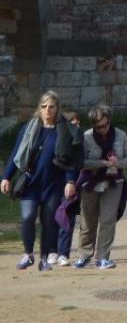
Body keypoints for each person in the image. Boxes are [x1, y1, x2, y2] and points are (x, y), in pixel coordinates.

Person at [3, 90, 82, 270]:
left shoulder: (65, 130)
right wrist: (6, 176)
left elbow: (70, 160)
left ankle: (44, 258)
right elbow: (16, 152)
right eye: (44, 106)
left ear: (57, 109)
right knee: (27, 216)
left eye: (51, 107)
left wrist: (70, 182)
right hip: (30, 183)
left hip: (53, 185)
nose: (47, 110)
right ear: (39, 108)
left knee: (48, 222)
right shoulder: (28, 128)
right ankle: (28, 254)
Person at [74, 104, 127, 269]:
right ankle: (84, 255)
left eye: (106, 125)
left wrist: (117, 163)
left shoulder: (121, 135)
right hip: (90, 182)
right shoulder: (86, 137)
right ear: (93, 125)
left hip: (114, 182)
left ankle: (103, 257)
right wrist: (101, 163)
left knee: (108, 220)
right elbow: (81, 162)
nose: (103, 129)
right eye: (99, 127)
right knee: (88, 220)